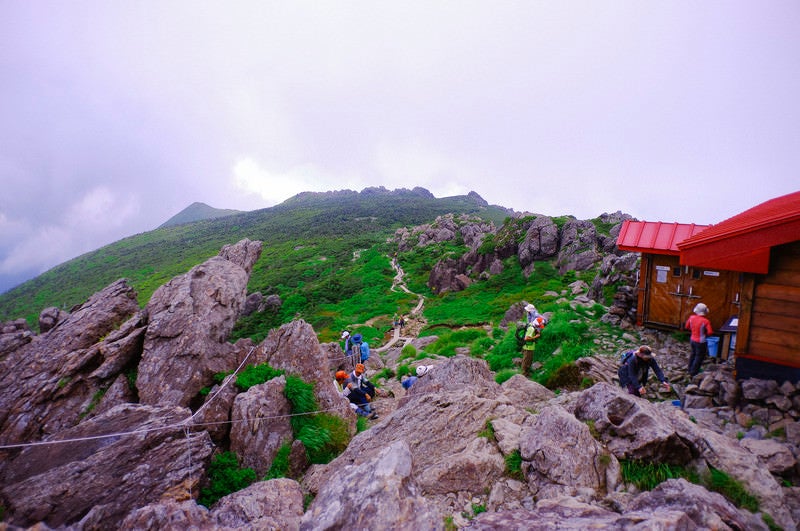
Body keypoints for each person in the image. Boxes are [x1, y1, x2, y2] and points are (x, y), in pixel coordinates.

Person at [685, 303, 713, 377]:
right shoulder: (706, 321)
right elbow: (710, 332)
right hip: (701, 341)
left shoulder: (691, 318)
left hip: (692, 339)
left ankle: (689, 369)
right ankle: (693, 372)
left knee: (693, 354)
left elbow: (687, 327)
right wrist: (705, 334)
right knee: (699, 356)